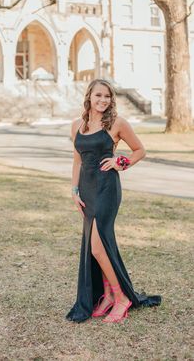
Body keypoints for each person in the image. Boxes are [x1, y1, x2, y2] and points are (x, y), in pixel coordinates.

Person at [66, 79, 161, 323]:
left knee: (97, 246)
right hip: (86, 190)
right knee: (99, 246)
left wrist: (121, 162)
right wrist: (74, 190)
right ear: (89, 96)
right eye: (98, 95)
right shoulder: (77, 125)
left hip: (107, 187)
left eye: (107, 96)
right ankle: (107, 296)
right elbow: (77, 161)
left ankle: (121, 298)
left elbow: (140, 150)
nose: (103, 100)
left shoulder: (117, 123)